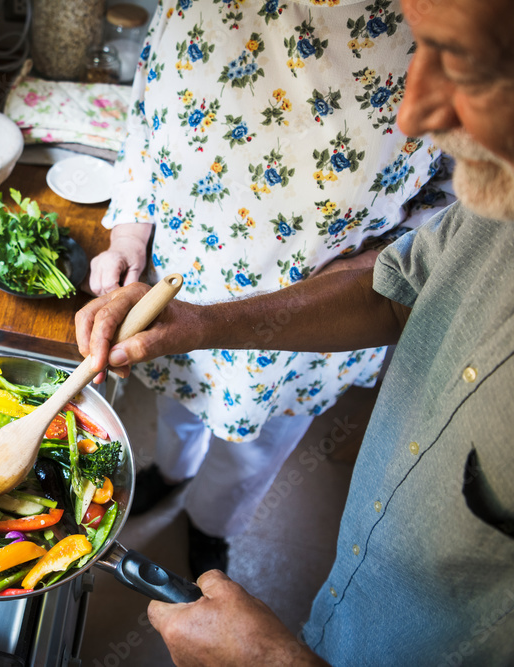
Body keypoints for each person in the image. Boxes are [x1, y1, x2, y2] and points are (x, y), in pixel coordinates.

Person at [76, 0, 514, 663]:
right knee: (179, 414)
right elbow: (150, 105)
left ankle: (210, 524)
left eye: (460, 61)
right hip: (181, 290)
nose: (414, 113)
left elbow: (425, 226)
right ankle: (171, 471)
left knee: (253, 451)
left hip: (301, 344)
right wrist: (144, 240)